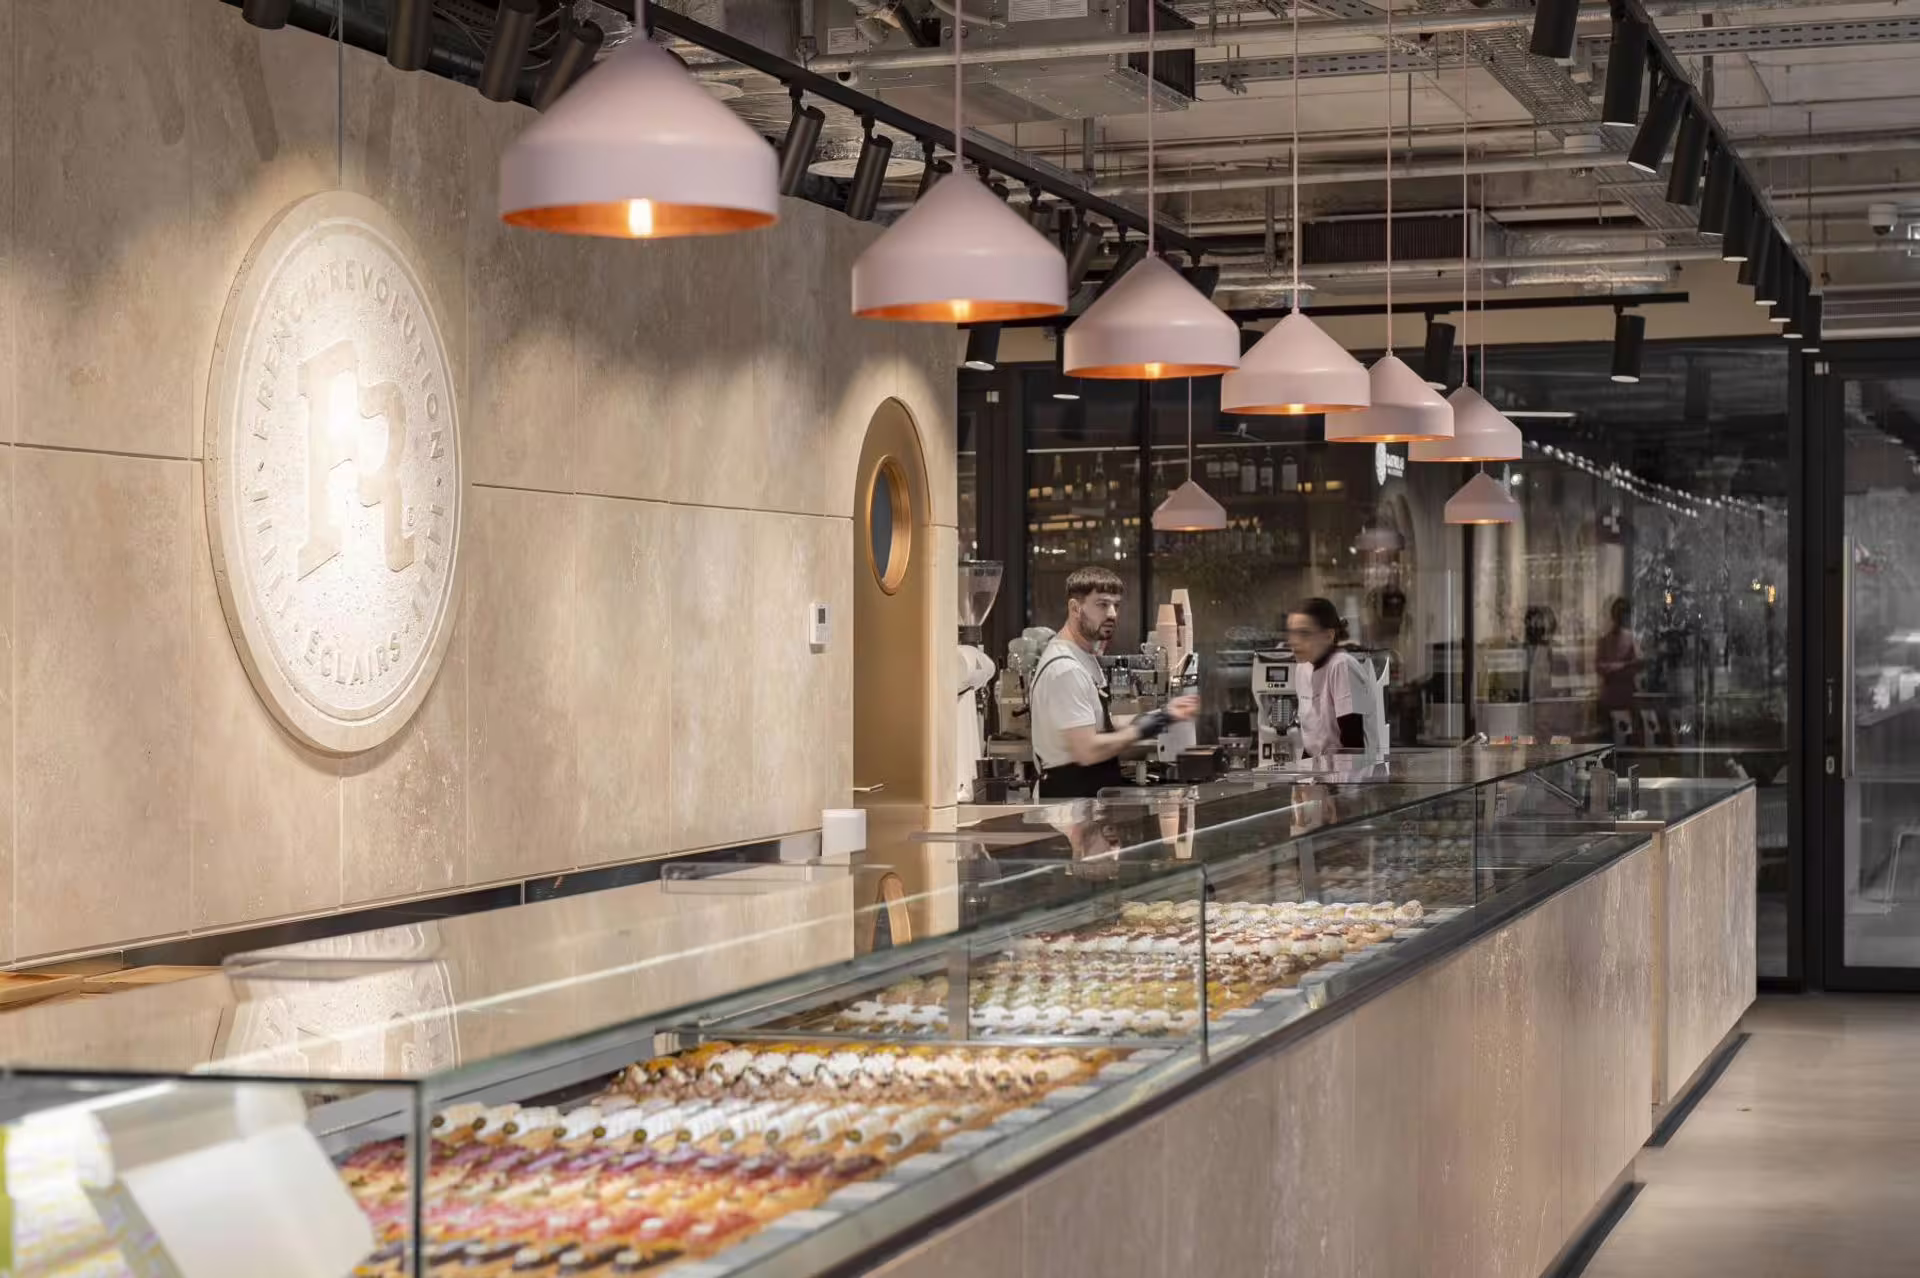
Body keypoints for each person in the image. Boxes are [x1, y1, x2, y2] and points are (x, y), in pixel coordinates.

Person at [1029, 567, 1198, 798]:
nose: (1112, 614)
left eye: (1116, 606)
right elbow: (1087, 750)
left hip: (1089, 795)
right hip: (1067, 802)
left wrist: (1162, 715)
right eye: (1102, 604)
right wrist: (1141, 729)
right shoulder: (1065, 669)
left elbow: (1099, 723)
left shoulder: (1083, 657)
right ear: (1075, 608)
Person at [1287, 598, 1386, 760]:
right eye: (1292, 633)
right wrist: (1304, 771)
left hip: (1351, 771)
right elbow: (1312, 743)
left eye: (1304, 633)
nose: (1294, 641)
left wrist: (1331, 778)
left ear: (1328, 636)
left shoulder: (1341, 666)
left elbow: (1353, 743)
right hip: (1321, 771)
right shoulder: (1302, 668)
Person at [1595, 597, 1643, 719]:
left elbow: (1637, 665)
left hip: (1626, 696)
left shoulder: (1632, 639)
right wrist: (1624, 666)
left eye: (1623, 614)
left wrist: (1614, 668)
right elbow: (1599, 667)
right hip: (1611, 697)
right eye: (1618, 614)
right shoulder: (1604, 640)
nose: (1620, 617)